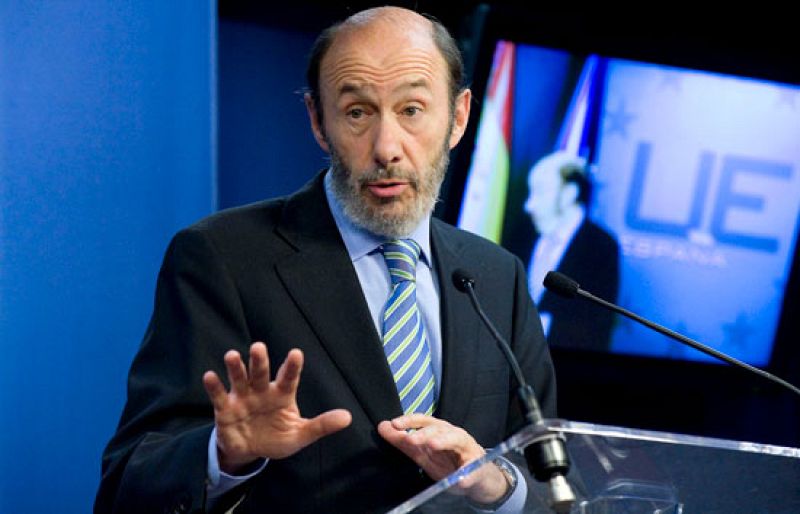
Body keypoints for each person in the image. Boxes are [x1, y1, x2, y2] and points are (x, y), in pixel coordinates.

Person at [95, 7, 556, 513]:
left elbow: (555, 478)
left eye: (412, 110)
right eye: (357, 112)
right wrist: (225, 456)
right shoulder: (222, 258)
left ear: (459, 116)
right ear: (318, 121)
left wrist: (497, 484)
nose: (386, 148)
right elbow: (128, 486)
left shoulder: (498, 277)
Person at [524, 150, 620, 351]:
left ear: (569, 194)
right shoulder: (523, 233)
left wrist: (538, 327)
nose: (529, 206)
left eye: (539, 192)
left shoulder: (601, 247)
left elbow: (597, 327)